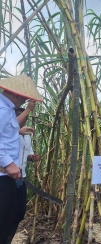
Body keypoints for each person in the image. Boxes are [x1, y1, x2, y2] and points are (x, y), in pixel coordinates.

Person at [0, 74, 43, 243]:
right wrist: (8, 163)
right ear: (17, 94)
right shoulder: (2, 109)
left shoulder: (7, 109)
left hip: (8, 177)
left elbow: (5, 133)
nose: (24, 102)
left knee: (13, 216)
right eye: (24, 99)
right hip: (3, 177)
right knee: (4, 220)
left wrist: (18, 131)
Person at [6, 103, 41, 243]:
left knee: (19, 212)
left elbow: (27, 154)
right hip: (7, 178)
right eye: (19, 114)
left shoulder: (26, 136)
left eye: (24, 115)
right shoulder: (6, 133)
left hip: (22, 177)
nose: (22, 117)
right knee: (6, 212)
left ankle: (8, 237)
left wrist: (32, 158)